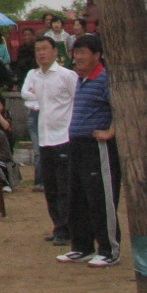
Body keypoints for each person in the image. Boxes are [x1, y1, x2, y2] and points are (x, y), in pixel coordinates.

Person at [59, 35, 121, 268]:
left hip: (98, 148)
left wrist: (111, 131)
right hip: (77, 145)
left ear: (97, 55)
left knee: (100, 198)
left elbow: (121, 108)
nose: (78, 57)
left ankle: (109, 249)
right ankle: (82, 246)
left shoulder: (106, 79)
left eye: (83, 52)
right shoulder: (81, 80)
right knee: (78, 198)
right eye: (76, 52)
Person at [23, 36, 78, 245]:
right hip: (45, 138)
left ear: (55, 52)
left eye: (45, 49)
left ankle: (67, 227)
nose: (41, 53)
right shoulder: (35, 77)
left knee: (65, 185)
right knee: (51, 186)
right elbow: (29, 97)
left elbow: (77, 100)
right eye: (38, 50)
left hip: (64, 137)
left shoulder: (66, 75)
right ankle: (57, 225)